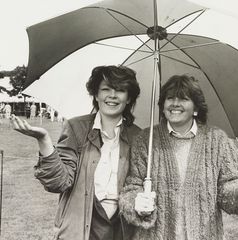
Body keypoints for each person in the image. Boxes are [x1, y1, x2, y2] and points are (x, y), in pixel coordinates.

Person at [119, 75, 238, 240]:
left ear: (196, 108)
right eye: (169, 98)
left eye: (183, 99)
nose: (175, 103)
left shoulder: (217, 140)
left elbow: (227, 188)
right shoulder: (145, 140)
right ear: (162, 106)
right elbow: (132, 186)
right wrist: (136, 202)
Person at [11, 65, 141, 240]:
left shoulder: (138, 136)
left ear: (129, 98)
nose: (112, 95)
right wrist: (44, 140)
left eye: (120, 90)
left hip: (122, 229)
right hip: (81, 228)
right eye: (105, 89)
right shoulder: (76, 128)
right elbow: (59, 183)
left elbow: (137, 186)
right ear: (96, 94)